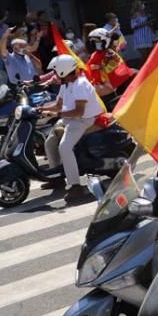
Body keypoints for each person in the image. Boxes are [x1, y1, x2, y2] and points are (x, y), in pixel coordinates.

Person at [41, 54, 106, 204]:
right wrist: (39, 109)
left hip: (83, 120)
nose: (55, 75)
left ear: (63, 71)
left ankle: (76, 186)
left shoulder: (80, 84)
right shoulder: (66, 84)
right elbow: (57, 105)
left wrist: (56, 113)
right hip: (69, 119)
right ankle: (57, 178)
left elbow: (79, 112)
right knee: (49, 142)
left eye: (56, 72)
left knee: (64, 147)